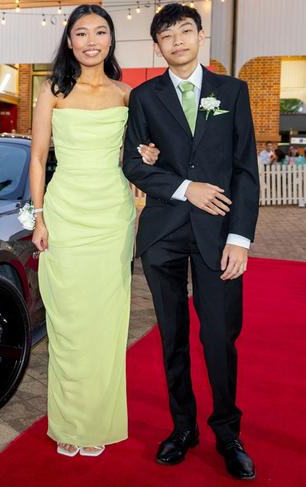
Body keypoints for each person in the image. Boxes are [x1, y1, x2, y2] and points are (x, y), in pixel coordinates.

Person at [122, 4, 259, 480]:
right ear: (157, 45)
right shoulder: (143, 97)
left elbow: (244, 170)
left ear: (200, 35)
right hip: (163, 232)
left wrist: (240, 238)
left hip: (219, 234)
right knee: (172, 338)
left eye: (185, 31)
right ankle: (183, 428)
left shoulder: (232, 91)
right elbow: (134, 165)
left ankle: (227, 432)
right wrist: (184, 188)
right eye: (166, 34)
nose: (177, 40)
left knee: (219, 336)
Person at [30, 4, 158, 458]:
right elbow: (39, 158)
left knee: (104, 324)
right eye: (81, 33)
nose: (90, 41)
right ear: (69, 42)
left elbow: (137, 154)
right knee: (67, 323)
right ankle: (68, 422)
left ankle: (97, 423)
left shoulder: (128, 94)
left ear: (110, 40)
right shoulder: (52, 90)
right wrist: (38, 217)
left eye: (99, 32)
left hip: (111, 217)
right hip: (64, 214)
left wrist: (147, 157)